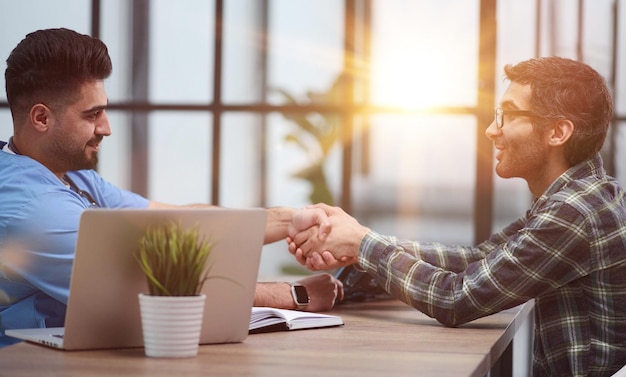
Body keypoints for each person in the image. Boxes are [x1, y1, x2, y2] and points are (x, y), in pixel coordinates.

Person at [0, 28, 342, 348]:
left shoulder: (69, 174)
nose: (106, 128)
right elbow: (154, 291)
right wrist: (295, 295)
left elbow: (174, 224)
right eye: (92, 115)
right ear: (42, 118)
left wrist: (291, 219)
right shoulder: (33, 206)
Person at [288, 56, 626, 376]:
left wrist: (363, 244)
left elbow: (455, 299)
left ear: (557, 133)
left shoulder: (574, 213)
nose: (492, 131)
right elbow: (479, 258)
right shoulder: (584, 196)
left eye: (507, 115)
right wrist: (359, 243)